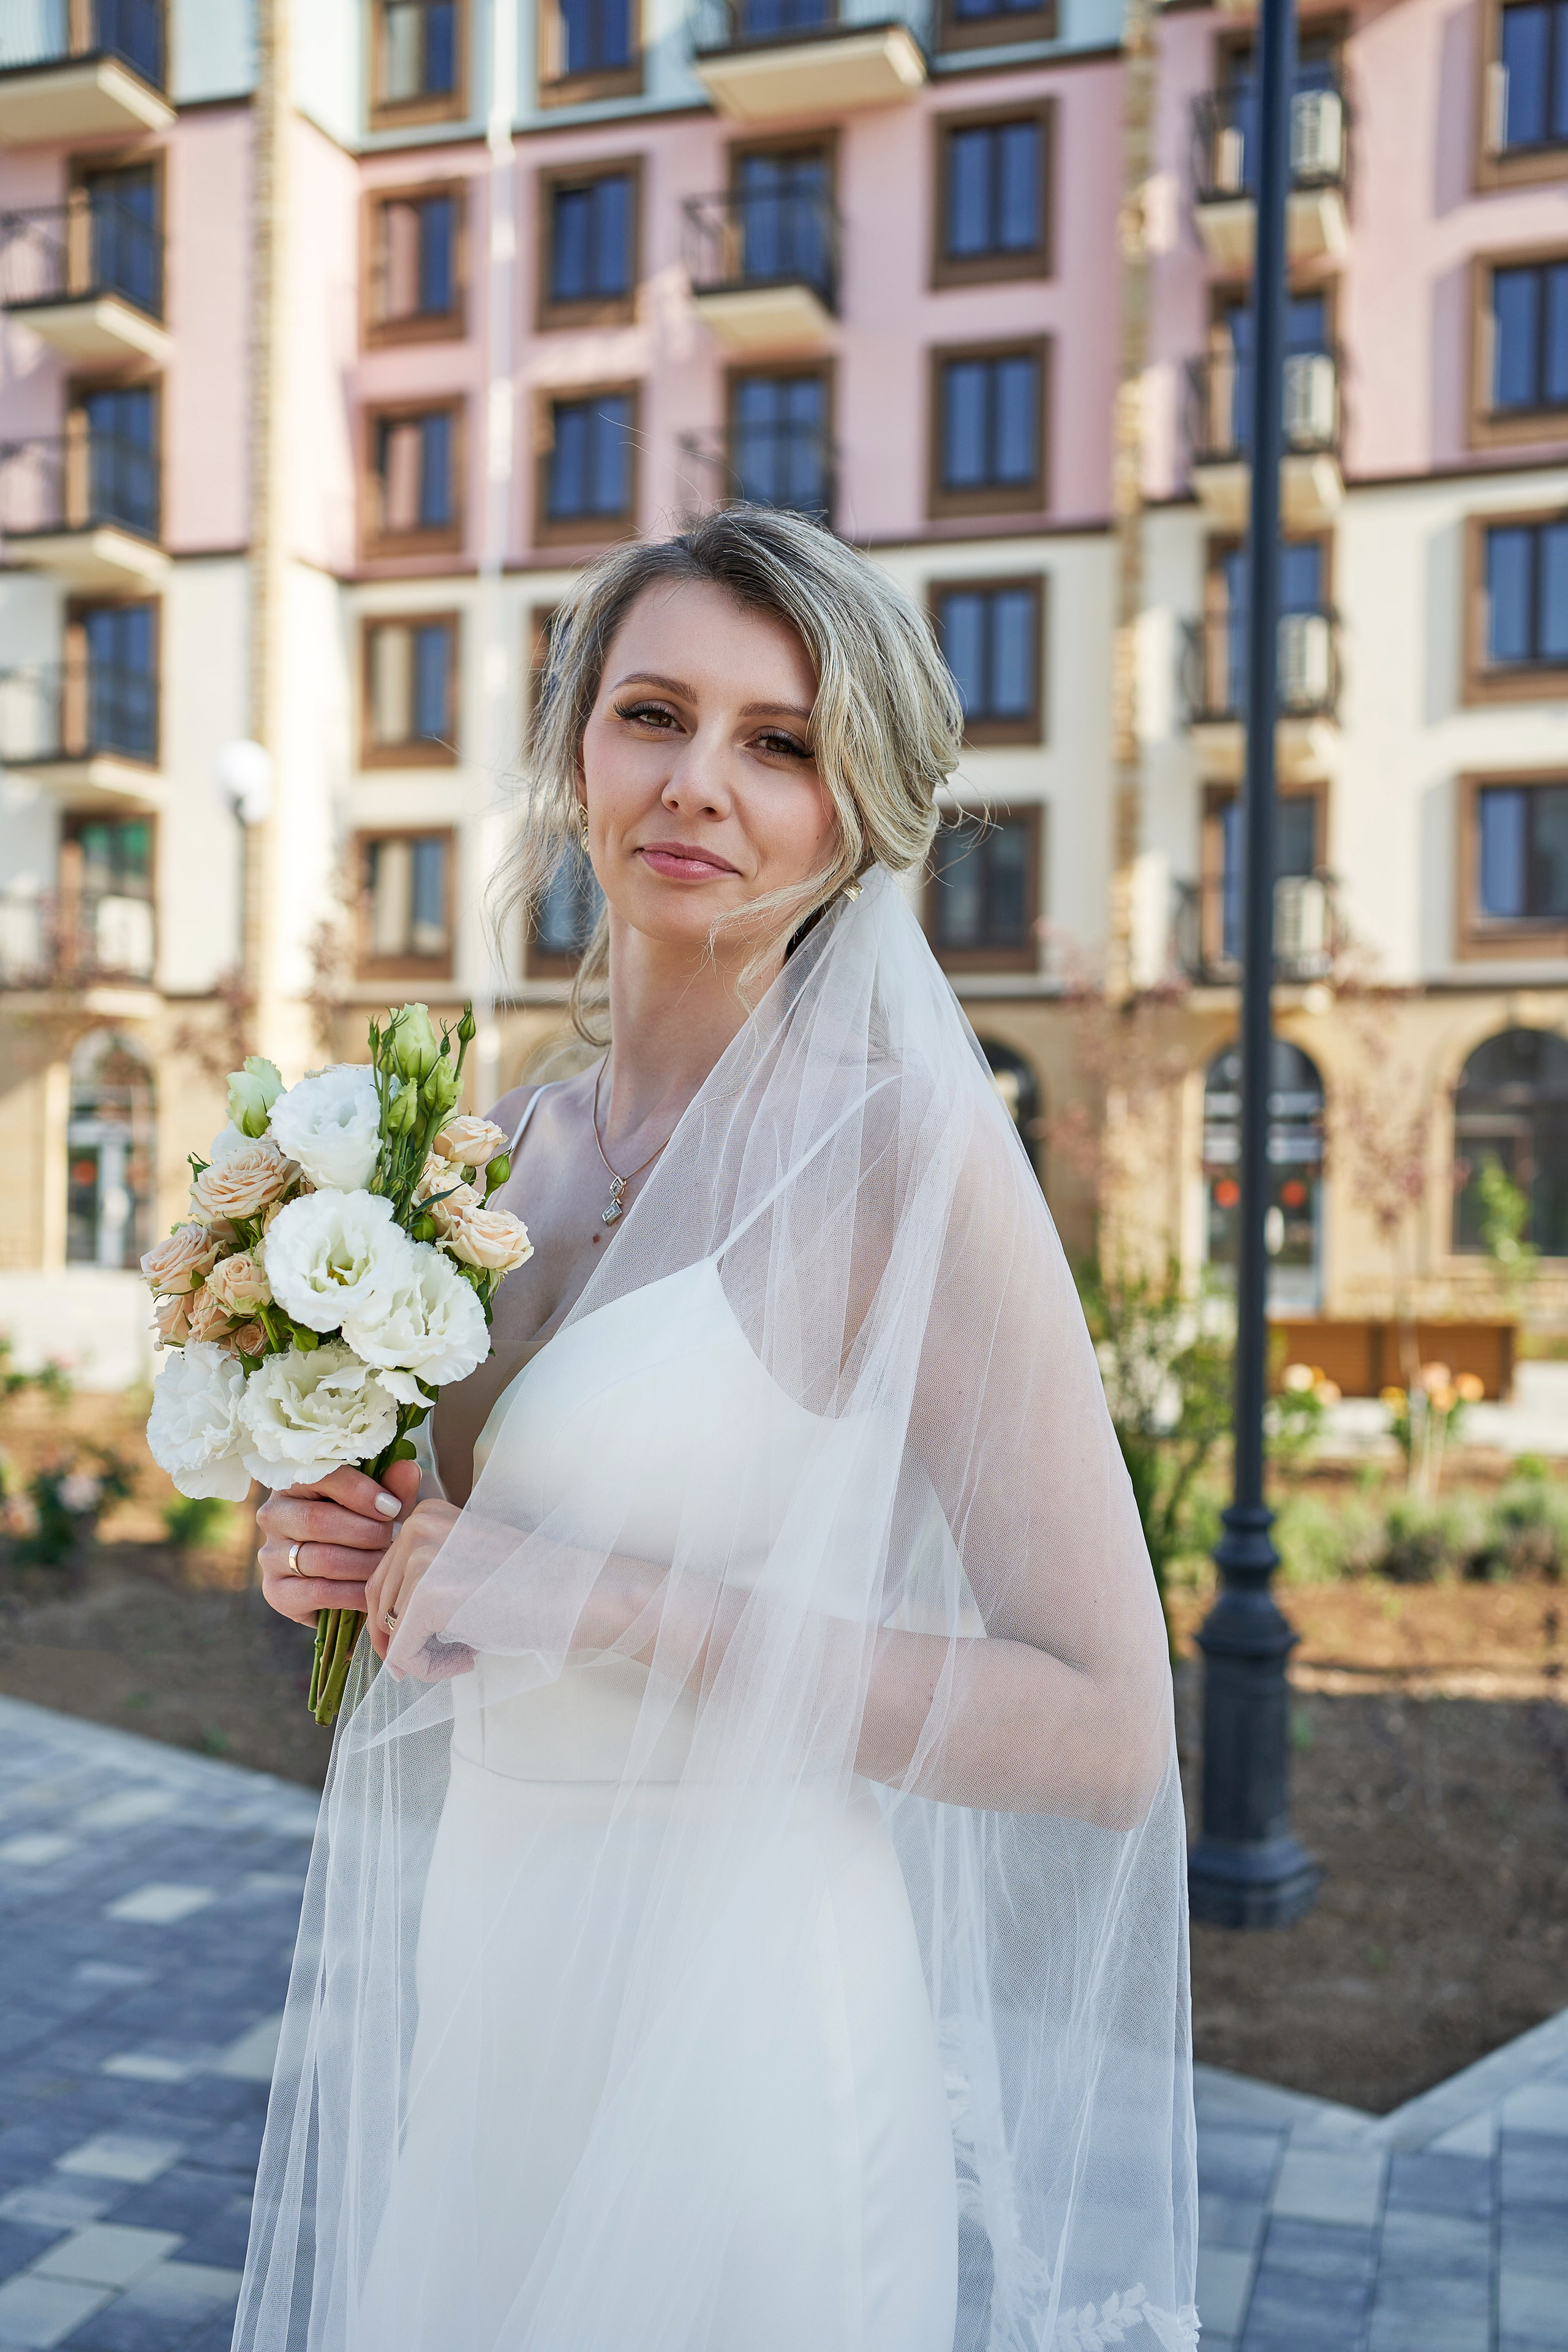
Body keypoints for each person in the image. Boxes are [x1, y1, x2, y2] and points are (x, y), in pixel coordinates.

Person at [238, 507, 1197, 2352]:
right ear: (575, 746)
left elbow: (1105, 1732)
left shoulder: (898, 1165)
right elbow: (438, 1588)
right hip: (492, 1987)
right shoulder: (477, 1158)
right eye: (652, 713)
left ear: (863, 808)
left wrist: (605, 1602)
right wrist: (324, 1560)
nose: (698, 784)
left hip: (746, 2029)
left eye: (779, 742)